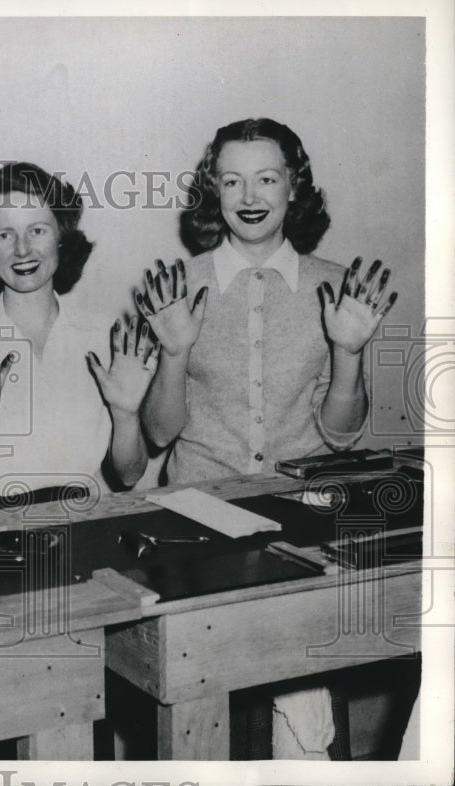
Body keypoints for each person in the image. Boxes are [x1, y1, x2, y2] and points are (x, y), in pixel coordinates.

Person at [137, 117, 399, 760]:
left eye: (266, 178)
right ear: (214, 192)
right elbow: (158, 432)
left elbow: (340, 436)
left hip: (302, 526)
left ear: (293, 189)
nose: (249, 195)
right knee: (213, 710)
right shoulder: (180, 286)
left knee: (304, 691)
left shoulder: (335, 287)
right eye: (231, 180)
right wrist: (173, 354)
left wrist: (347, 352)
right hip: (197, 527)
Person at [0, 162, 155, 511]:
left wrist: (126, 415)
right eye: (4, 235)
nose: (22, 250)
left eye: (37, 230)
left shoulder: (108, 338)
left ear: (61, 235)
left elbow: (129, 475)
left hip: (82, 527)